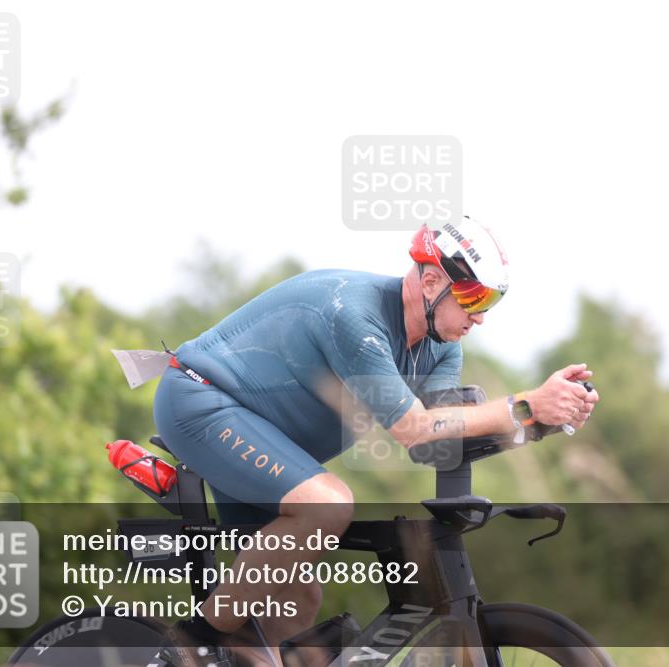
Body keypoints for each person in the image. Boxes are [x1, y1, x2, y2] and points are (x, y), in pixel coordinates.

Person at [152, 216, 599, 664]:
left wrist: (545, 420)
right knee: (328, 504)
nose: (480, 317)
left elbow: (439, 437)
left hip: (266, 437)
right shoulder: (355, 318)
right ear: (429, 281)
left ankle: (225, 646)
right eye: (473, 297)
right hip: (201, 401)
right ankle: (190, 643)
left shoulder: (441, 346)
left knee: (298, 601)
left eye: (491, 301)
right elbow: (414, 428)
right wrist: (525, 404)